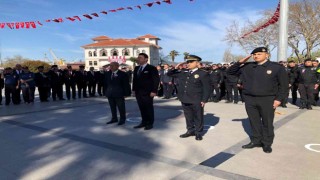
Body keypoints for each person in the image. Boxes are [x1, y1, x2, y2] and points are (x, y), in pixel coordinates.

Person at [227, 47, 288, 153]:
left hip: (267, 99)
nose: (256, 56)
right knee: (254, 121)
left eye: (259, 54)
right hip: (250, 99)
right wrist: (239, 62)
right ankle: (256, 141)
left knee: (267, 122)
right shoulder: (248, 66)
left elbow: (284, 86)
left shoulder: (276, 67)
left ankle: (267, 143)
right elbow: (230, 72)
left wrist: (278, 99)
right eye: (254, 54)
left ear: (267, 55)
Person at [167, 55, 212, 141]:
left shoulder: (203, 73)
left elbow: (207, 88)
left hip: (197, 99)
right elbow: (170, 74)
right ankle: (190, 130)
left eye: (191, 62)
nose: (189, 63)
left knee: (198, 116)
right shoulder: (184, 72)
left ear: (197, 63)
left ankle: (198, 133)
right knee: (188, 116)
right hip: (185, 98)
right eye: (187, 62)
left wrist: (204, 100)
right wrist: (176, 67)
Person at [132, 53, 160, 130]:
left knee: (148, 108)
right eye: (138, 57)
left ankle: (150, 123)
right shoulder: (137, 68)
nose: (138, 59)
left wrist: (154, 91)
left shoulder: (151, 68)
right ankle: (144, 121)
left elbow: (156, 80)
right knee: (142, 108)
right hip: (138, 92)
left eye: (140, 58)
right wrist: (133, 90)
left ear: (146, 59)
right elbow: (134, 80)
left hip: (148, 93)